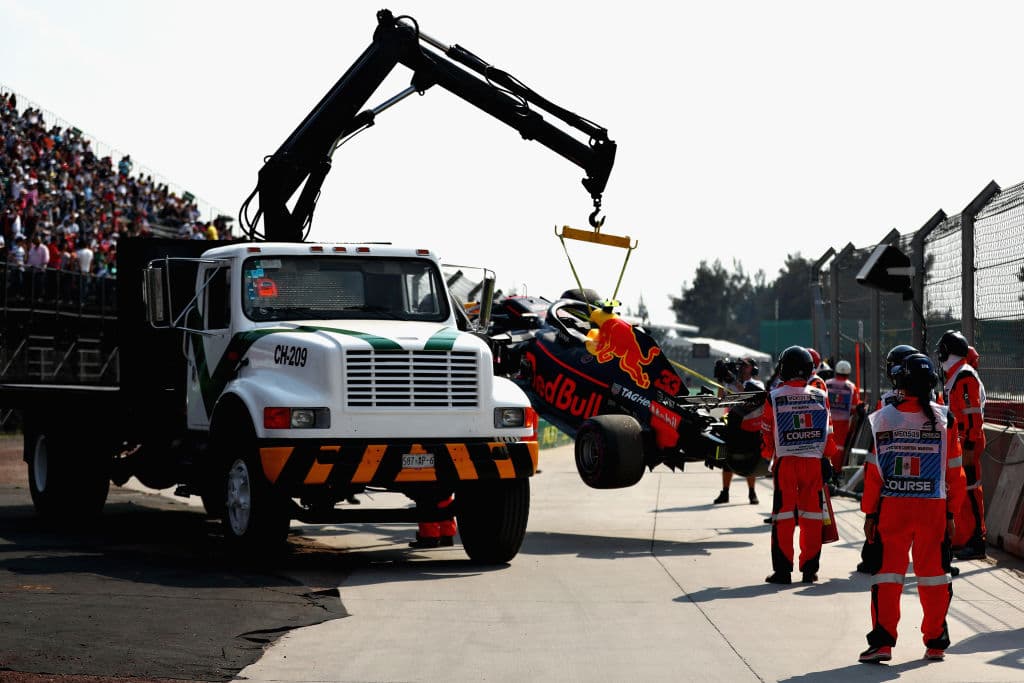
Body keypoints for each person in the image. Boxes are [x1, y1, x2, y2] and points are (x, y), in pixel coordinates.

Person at [858, 353, 967, 663]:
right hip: (933, 510)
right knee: (935, 577)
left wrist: (870, 513)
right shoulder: (946, 419)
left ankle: (882, 643)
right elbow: (955, 473)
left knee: (887, 576)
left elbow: (874, 473)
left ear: (900, 383)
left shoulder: (883, 418)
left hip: (893, 509)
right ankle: (935, 641)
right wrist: (951, 514)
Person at [761, 345, 838, 584]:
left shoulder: (774, 396)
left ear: (784, 368)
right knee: (812, 516)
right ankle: (809, 570)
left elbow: (766, 433)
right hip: (813, 463)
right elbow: (829, 433)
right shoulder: (820, 395)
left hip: (786, 463)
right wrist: (827, 457)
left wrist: (769, 455)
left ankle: (783, 571)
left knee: (783, 516)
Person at [936, 330, 988, 561]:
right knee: (961, 493)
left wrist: (969, 446)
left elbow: (972, 415)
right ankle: (963, 539)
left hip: (968, 442)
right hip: (961, 442)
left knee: (971, 491)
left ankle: (977, 542)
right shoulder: (956, 375)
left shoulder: (964, 376)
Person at [713, 357, 764, 505]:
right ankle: (725, 492)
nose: (742, 368)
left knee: (750, 459)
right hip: (733, 425)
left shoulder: (757, 384)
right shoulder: (731, 383)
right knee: (725, 459)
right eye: (740, 365)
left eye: (745, 366)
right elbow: (720, 399)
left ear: (753, 368)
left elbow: (751, 395)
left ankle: (752, 492)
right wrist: (721, 379)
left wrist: (734, 381)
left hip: (750, 427)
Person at [825, 359, 861, 475]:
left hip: (827, 420)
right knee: (839, 448)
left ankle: (826, 471)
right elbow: (855, 407)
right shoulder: (851, 387)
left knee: (826, 444)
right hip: (843, 424)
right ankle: (836, 472)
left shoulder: (826, 384)